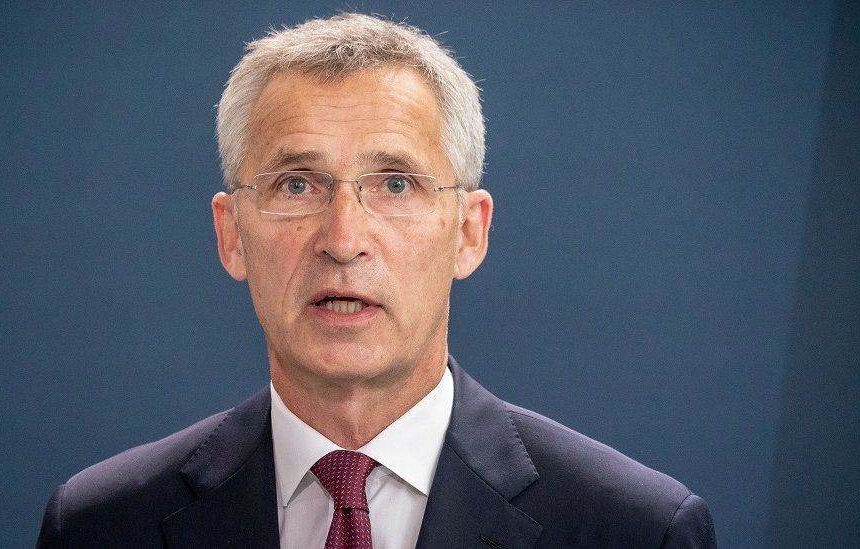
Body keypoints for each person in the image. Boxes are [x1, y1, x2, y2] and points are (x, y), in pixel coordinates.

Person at [37, 13, 716, 548]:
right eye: (296, 184)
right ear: (231, 233)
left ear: (469, 231)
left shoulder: (636, 529)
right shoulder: (100, 524)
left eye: (396, 183)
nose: (343, 239)